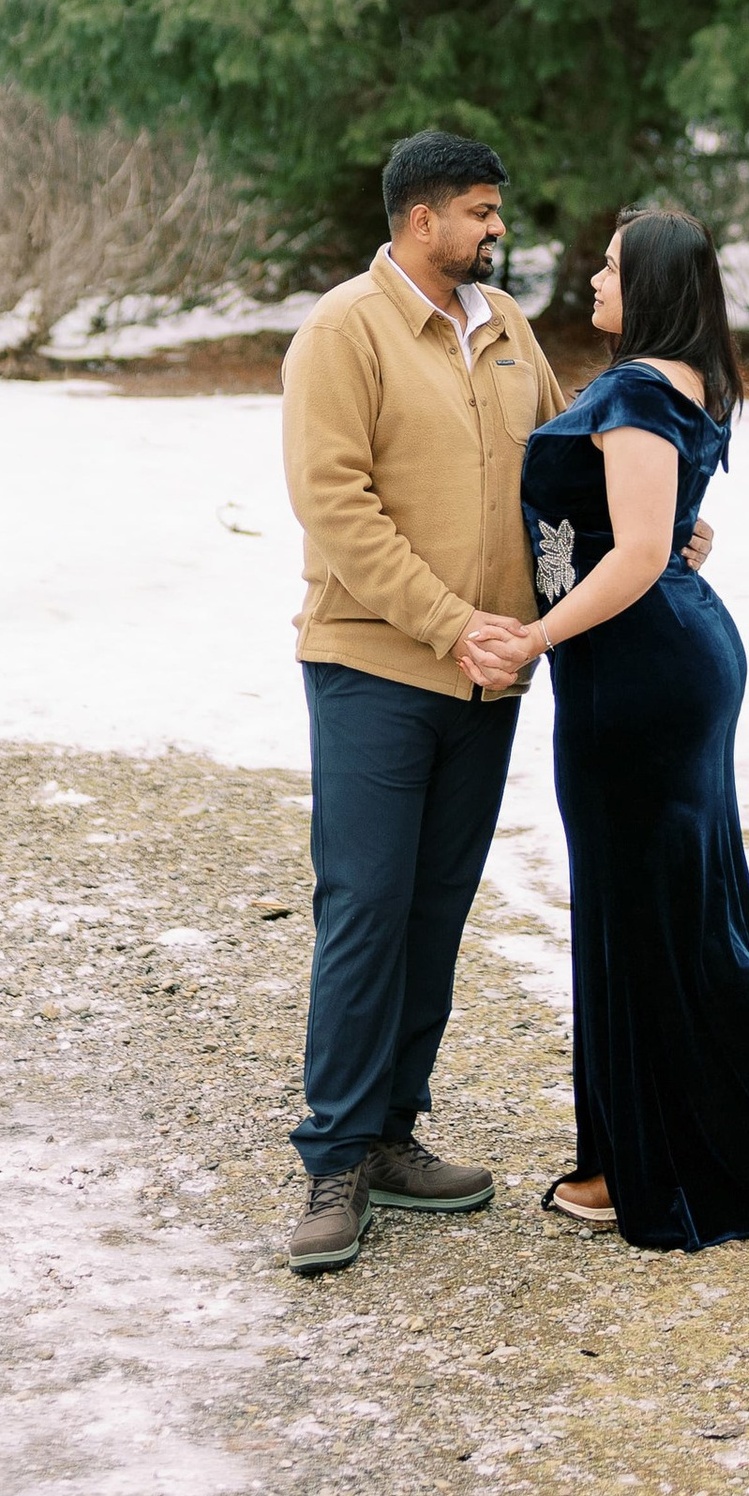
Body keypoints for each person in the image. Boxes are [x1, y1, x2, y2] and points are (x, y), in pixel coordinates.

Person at [474, 207, 749, 1252]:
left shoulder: (634, 389)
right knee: (654, 905)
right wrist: (673, 534)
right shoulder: (685, 383)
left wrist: (534, 637)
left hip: (637, 674)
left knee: (655, 913)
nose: (593, 277)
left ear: (655, 288)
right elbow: (659, 527)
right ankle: (626, 1156)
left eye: (613, 267)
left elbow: (630, 558)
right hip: (657, 663)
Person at [275, 128, 567, 1277]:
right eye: (479, 212)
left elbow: (557, 464)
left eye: (493, 212)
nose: (495, 230)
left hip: (490, 674)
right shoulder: (344, 331)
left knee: (436, 905)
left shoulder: (504, 326)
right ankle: (334, 1159)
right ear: (418, 219)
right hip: (375, 669)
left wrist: (654, 526)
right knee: (366, 904)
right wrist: (454, 624)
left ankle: (395, 1132)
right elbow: (335, 505)